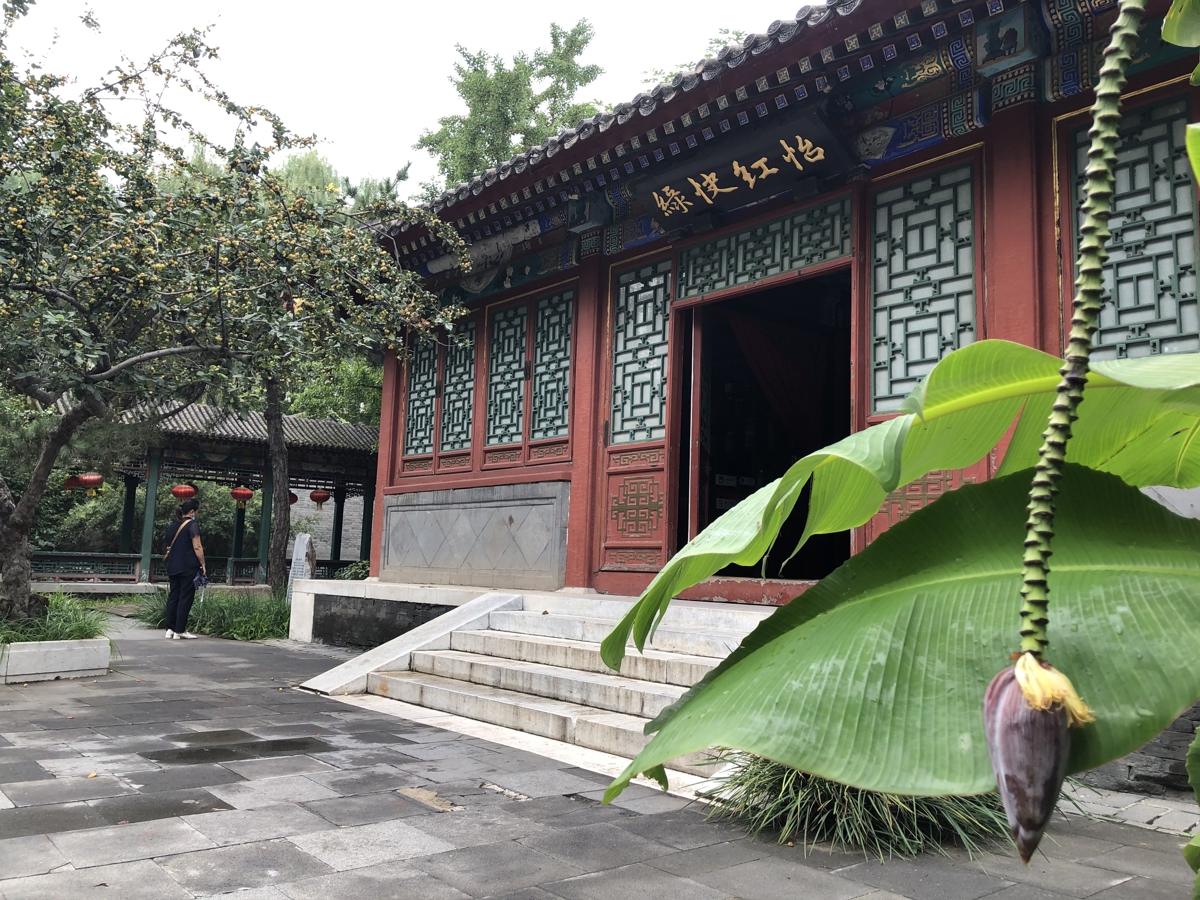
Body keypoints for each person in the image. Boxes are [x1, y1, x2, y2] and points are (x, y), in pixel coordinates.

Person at [163, 497, 206, 639]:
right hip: (188, 566)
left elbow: (168, 544)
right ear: (192, 511)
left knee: (173, 596)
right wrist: (203, 564)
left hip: (173, 566)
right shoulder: (192, 525)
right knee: (185, 597)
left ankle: (170, 628)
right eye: (197, 511)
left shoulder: (173, 525)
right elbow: (197, 547)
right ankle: (180, 630)